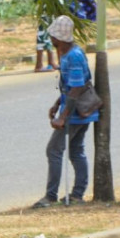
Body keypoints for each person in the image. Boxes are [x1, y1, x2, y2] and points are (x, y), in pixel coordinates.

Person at [33, 16, 98, 208]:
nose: (51, 40)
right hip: (74, 109)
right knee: (76, 151)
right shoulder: (68, 53)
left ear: (59, 38)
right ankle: (77, 193)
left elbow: (76, 89)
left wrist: (63, 116)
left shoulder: (74, 56)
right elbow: (69, 87)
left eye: (53, 36)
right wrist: (56, 104)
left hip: (76, 112)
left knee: (54, 149)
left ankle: (51, 196)